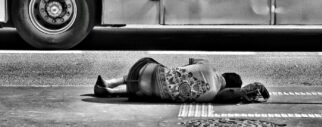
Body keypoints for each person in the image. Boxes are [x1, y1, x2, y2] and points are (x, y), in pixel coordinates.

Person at [94, 57, 270, 103]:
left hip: (145, 71)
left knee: (157, 70)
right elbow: (234, 93)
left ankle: (111, 82)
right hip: (149, 92)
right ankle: (110, 92)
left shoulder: (207, 65)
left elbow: (188, 64)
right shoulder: (216, 94)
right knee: (148, 92)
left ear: (224, 74)